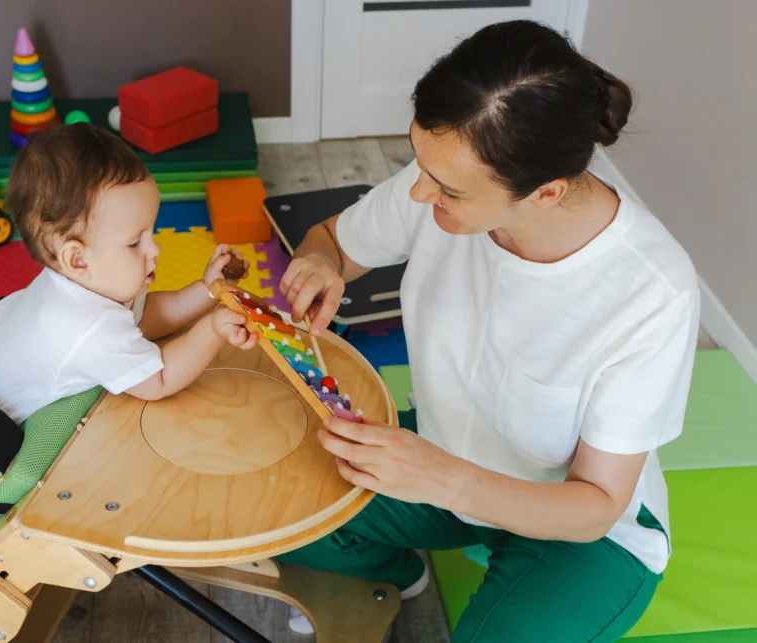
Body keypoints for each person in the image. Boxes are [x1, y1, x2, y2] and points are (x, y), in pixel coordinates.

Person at [277, 20, 699, 642]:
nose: (419, 192)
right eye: (420, 163)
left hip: (580, 530)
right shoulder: (441, 186)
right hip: (447, 461)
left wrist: (439, 479)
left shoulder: (651, 295)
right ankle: (395, 573)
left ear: (546, 193)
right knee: (279, 498)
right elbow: (334, 241)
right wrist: (321, 264)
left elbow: (596, 505)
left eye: (446, 189)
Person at [0, 124, 257, 424]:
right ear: (77, 259)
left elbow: (150, 317)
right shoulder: (91, 330)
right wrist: (212, 330)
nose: (155, 249)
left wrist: (211, 287)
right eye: (134, 242)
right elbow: (160, 380)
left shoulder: (81, 281)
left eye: (150, 232)